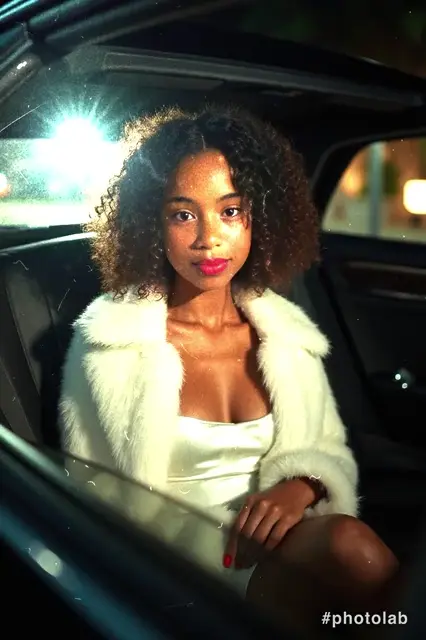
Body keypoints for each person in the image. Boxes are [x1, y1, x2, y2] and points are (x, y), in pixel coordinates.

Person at [59, 105, 399, 630]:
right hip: (178, 571)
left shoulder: (287, 337)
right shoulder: (112, 347)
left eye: (231, 211)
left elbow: (330, 452)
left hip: (287, 547)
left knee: (355, 560)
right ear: (150, 223)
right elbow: (90, 498)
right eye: (183, 215)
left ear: (258, 218)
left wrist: (302, 485)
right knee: (352, 556)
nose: (209, 238)